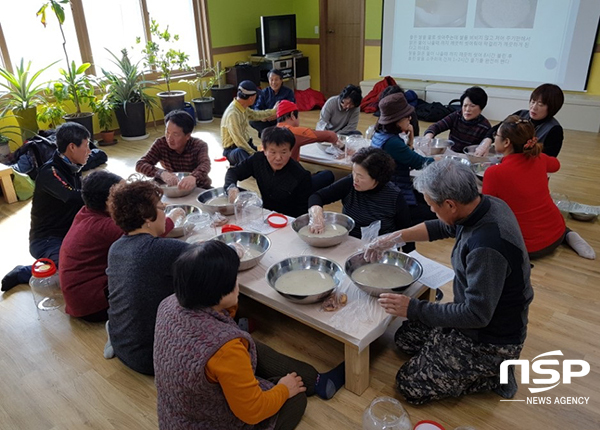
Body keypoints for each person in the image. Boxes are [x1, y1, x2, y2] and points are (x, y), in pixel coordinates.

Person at [365, 158, 534, 405]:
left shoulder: (487, 247)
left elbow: (476, 316)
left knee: (409, 385)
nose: (432, 211)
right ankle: (447, 348)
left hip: (490, 337)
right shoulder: (483, 206)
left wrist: (412, 308)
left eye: (433, 206)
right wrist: (394, 238)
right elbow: (443, 228)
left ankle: (496, 372)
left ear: (450, 205)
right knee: (404, 339)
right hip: (476, 316)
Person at [154, 241, 346, 430]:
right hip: (213, 420)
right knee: (296, 399)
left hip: (177, 416)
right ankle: (299, 383)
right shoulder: (225, 349)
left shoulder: (169, 303)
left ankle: (316, 380)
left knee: (248, 344)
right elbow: (252, 411)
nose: (237, 281)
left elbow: (223, 322)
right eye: (233, 279)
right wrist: (283, 390)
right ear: (218, 292)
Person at [59, 171, 181, 323]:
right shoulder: (105, 226)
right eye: (123, 194)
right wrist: (172, 217)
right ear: (109, 202)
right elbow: (148, 235)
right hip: (92, 304)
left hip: (81, 297)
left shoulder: (86, 213)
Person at [104, 179, 190, 375]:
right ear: (147, 217)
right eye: (161, 208)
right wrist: (233, 249)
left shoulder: (116, 248)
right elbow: (217, 257)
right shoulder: (160, 249)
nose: (165, 211)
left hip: (123, 346)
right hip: (154, 359)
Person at [482, 115, 595, 260]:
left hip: (527, 247)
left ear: (506, 142)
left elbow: (488, 209)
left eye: (496, 135)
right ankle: (569, 235)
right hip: (556, 233)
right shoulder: (539, 158)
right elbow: (556, 165)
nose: (494, 137)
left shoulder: (494, 172)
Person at [2, 122, 91, 292]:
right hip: (46, 240)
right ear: (72, 147)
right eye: (86, 146)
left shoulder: (72, 167)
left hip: (68, 234)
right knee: (71, 272)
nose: (89, 152)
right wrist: (106, 192)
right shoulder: (50, 172)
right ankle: (25, 272)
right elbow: (73, 196)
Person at [308, 147, 414, 252]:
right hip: (347, 243)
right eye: (354, 172)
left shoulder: (394, 196)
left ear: (377, 178)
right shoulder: (350, 183)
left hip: (378, 249)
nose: (355, 179)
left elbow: (406, 232)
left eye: (360, 176)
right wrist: (316, 213)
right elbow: (317, 196)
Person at [225, 126, 332, 218]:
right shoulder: (257, 160)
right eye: (273, 152)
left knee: (326, 176)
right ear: (264, 150)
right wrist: (231, 187)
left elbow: (302, 213)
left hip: (287, 219)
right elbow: (233, 172)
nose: (278, 158)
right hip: (265, 214)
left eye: (284, 152)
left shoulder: (300, 175)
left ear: (291, 152)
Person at [371, 92, 436, 225]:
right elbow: (419, 163)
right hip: (393, 195)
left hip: (389, 189)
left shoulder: (379, 134)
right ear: (397, 120)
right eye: (407, 117)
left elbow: (406, 157)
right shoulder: (392, 142)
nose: (409, 119)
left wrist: (411, 139)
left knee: (430, 198)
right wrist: (440, 160)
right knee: (435, 211)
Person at [475, 83, 565, 157]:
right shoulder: (520, 115)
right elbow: (497, 129)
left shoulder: (554, 130)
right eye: (533, 102)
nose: (534, 107)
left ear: (552, 108)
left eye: (540, 104)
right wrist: (486, 143)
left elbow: (548, 159)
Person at [135, 109, 211, 189]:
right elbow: (140, 164)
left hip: (198, 186)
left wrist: (193, 177)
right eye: (167, 132)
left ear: (187, 136)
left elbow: (205, 164)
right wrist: (161, 173)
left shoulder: (199, 145)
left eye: (175, 134)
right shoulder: (161, 143)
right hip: (172, 188)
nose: (169, 138)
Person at [221, 80, 278, 165]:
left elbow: (256, 115)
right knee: (243, 154)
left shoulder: (242, 107)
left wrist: (273, 111)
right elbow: (239, 141)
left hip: (246, 144)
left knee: (264, 155)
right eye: (256, 96)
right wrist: (253, 154)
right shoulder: (233, 114)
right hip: (233, 150)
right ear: (251, 98)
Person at [423, 86, 491, 154]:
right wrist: (428, 136)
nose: (467, 109)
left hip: (470, 158)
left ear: (481, 108)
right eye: (465, 105)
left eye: (472, 106)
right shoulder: (457, 115)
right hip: (452, 154)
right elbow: (436, 126)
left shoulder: (485, 126)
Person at [276, 100, 343, 161]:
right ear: (292, 115)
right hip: (291, 173)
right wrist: (342, 147)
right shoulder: (296, 132)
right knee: (328, 174)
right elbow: (330, 135)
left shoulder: (269, 132)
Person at [250, 69, 296, 137]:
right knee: (252, 120)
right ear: (268, 81)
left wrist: (276, 115)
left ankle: (268, 134)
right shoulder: (264, 92)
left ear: (281, 80)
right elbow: (257, 107)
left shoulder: (288, 92)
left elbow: (292, 109)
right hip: (267, 120)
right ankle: (270, 134)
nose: (274, 82)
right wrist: (262, 116)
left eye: (276, 79)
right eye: (271, 80)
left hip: (280, 119)